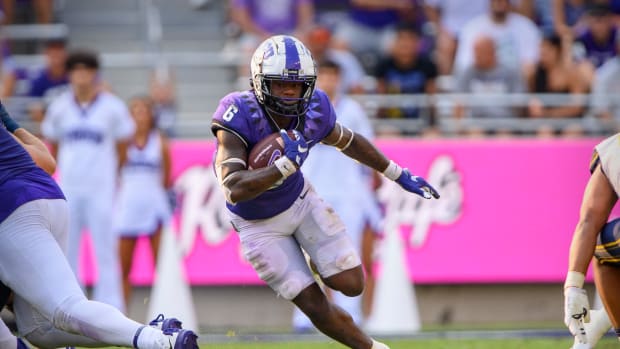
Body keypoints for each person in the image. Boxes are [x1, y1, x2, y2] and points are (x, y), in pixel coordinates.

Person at [211, 34, 439, 349]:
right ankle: (373, 348)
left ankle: (315, 257)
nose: (291, 92)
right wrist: (282, 168)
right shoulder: (238, 112)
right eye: (281, 84)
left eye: (298, 84)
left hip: (299, 201)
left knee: (352, 283)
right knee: (315, 305)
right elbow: (233, 188)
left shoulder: (315, 106)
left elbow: (348, 141)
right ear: (260, 82)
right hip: (258, 224)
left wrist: (396, 173)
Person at [0, 101, 198, 348]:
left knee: (65, 308)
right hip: (49, 198)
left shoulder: (149, 136)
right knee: (40, 329)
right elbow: (47, 162)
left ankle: (158, 341)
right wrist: (9, 123)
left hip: (12, 208)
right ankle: (147, 332)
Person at [290, 59, 382, 332]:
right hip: (313, 190)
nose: (329, 81)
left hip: (348, 193)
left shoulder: (352, 110)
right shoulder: (301, 110)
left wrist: (372, 181)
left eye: (333, 75)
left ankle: (350, 314)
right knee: (309, 254)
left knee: (347, 254)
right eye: (325, 76)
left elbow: (367, 148)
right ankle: (306, 316)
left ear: (340, 78)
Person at [41, 50, 134, 311]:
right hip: (69, 187)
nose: (81, 76)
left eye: (86, 70)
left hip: (101, 188)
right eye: (76, 70)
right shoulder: (60, 106)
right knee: (67, 248)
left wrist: (113, 176)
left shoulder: (112, 107)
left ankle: (112, 308)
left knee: (105, 247)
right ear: (70, 74)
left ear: (95, 73)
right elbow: (53, 146)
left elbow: (123, 146)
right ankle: (73, 307)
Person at [562, 133, 620, 349]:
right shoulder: (614, 150)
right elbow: (589, 221)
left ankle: (605, 316)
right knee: (602, 243)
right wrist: (573, 287)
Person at [116, 95, 173, 311]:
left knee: (162, 268)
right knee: (123, 268)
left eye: (144, 111)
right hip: (127, 207)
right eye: (135, 111)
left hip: (154, 208)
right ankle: (122, 314)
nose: (139, 116)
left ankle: (165, 312)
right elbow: (115, 171)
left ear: (152, 116)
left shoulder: (160, 142)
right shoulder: (121, 143)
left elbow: (166, 179)